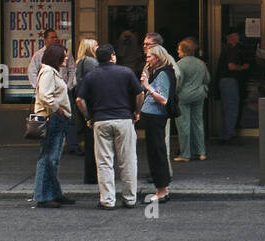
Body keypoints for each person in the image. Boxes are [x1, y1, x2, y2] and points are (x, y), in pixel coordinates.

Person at [83, 44, 144, 209]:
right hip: (124, 119)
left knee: (104, 162)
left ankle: (107, 200)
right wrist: (137, 112)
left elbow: (79, 99)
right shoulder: (126, 72)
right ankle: (130, 198)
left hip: (101, 120)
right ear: (112, 56)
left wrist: (88, 117)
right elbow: (140, 93)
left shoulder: (91, 76)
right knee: (128, 160)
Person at [32, 42, 74, 208]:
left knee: (52, 158)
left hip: (54, 118)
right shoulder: (49, 72)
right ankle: (43, 196)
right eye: (63, 55)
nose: (66, 58)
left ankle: (54, 193)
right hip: (52, 118)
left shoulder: (51, 71)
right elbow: (45, 95)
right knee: (49, 157)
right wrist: (59, 110)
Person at [139, 42, 176, 204]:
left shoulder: (163, 74)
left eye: (149, 56)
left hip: (156, 117)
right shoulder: (157, 72)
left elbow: (163, 99)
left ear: (158, 57)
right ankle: (161, 189)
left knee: (157, 152)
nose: (147, 59)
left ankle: (161, 190)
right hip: (152, 117)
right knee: (154, 152)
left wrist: (147, 87)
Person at [174, 38, 209, 162]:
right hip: (199, 94)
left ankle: (185, 154)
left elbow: (177, 81)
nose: (177, 51)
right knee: (198, 123)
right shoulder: (201, 63)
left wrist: (174, 94)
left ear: (184, 50)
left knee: (184, 125)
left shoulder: (179, 64)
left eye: (179, 49)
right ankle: (201, 152)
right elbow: (207, 79)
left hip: (184, 96)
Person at [73, 37, 101, 180]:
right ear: (90, 48)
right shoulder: (91, 62)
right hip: (92, 104)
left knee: (89, 139)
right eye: (96, 45)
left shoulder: (80, 62)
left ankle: (90, 174)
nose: (98, 47)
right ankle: (93, 175)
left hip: (84, 103)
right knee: (93, 141)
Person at [216, 31, 249, 143]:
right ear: (231, 38)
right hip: (229, 81)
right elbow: (231, 66)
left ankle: (224, 134)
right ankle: (229, 135)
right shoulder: (232, 49)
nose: (239, 37)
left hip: (223, 81)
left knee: (226, 109)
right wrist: (242, 67)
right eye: (236, 35)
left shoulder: (225, 49)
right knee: (231, 108)